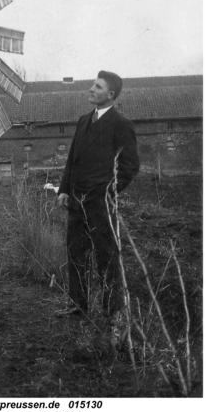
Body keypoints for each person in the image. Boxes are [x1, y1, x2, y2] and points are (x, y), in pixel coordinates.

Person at [56, 71, 139, 320]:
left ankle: (111, 312)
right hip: (76, 201)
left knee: (106, 257)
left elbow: (129, 167)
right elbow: (72, 159)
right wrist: (63, 189)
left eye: (97, 86)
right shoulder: (83, 121)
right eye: (93, 84)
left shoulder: (121, 124)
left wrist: (107, 193)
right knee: (76, 253)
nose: (91, 89)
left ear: (110, 95)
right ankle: (78, 305)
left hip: (100, 204)